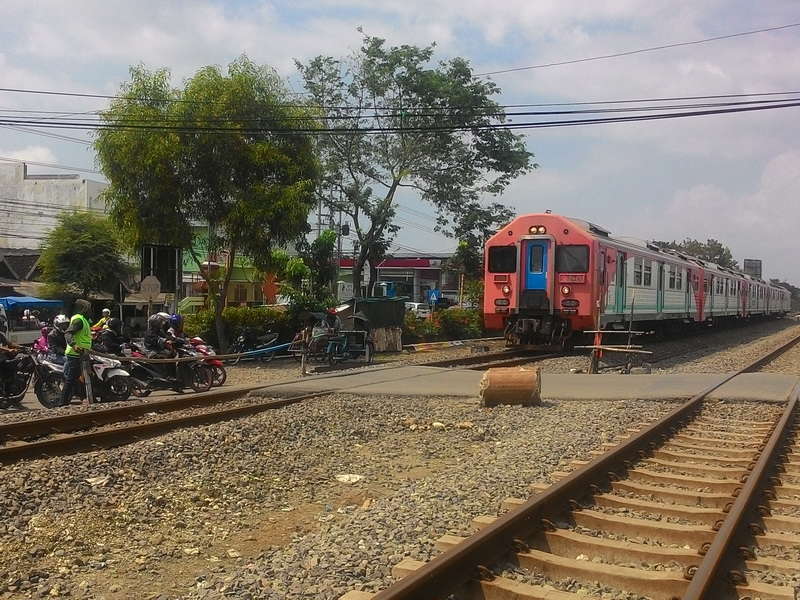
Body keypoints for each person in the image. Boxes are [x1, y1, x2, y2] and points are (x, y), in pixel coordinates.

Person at [60, 299, 93, 407]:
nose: (90, 311)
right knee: (71, 379)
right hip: (74, 354)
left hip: (83, 354)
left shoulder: (84, 320)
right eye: (88, 308)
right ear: (83, 309)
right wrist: (74, 345)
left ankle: (85, 398)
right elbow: (68, 333)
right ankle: (63, 403)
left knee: (82, 377)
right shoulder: (78, 320)